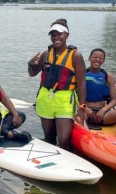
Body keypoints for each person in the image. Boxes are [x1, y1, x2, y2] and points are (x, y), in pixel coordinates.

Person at [28, 18, 86, 151]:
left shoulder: (75, 55)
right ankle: (51, 161)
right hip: (45, 97)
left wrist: (82, 109)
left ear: (67, 35)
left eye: (59, 34)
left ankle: (69, 161)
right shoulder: (46, 54)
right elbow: (32, 74)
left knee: (64, 139)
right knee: (49, 136)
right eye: (53, 35)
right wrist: (30, 64)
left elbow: (82, 84)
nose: (56, 37)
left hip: (65, 99)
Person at [84, 48, 116, 139]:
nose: (97, 59)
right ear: (89, 58)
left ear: (103, 61)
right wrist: (86, 109)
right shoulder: (81, 74)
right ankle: (88, 137)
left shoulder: (108, 76)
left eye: (101, 58)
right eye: (94, 57)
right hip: (85, 112)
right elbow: (73, 97)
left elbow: (114, 100)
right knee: (77, 114)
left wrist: (103, 110)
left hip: (103, 114)